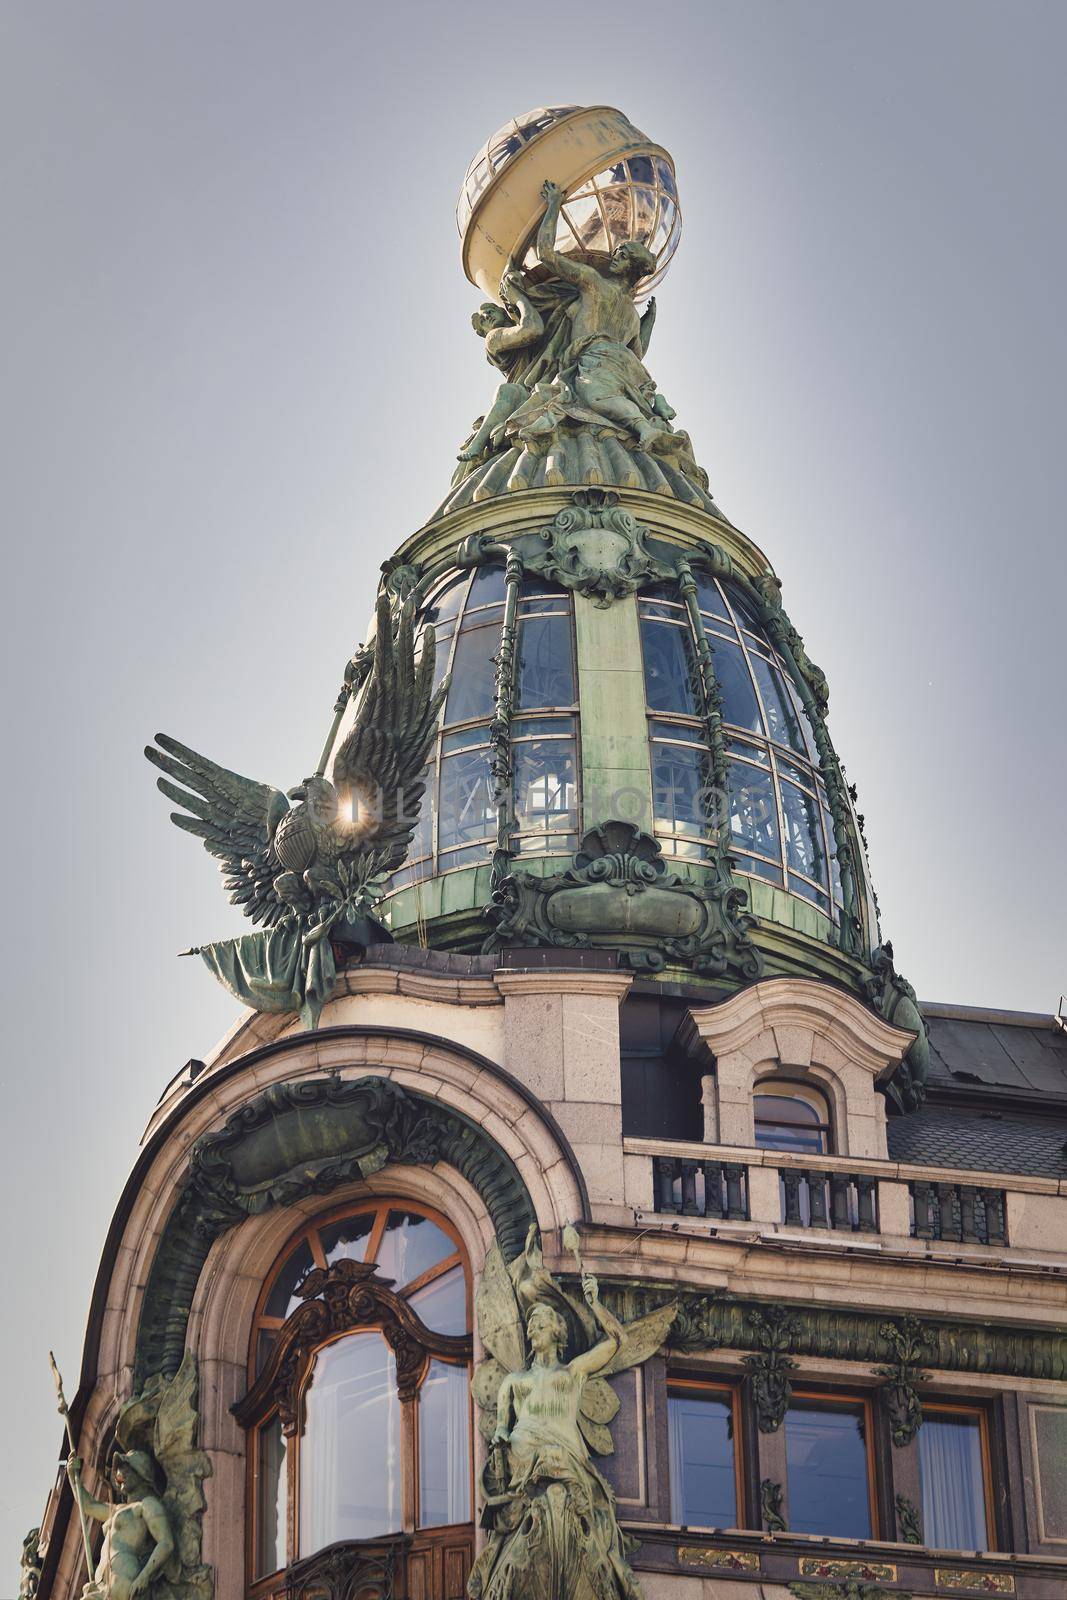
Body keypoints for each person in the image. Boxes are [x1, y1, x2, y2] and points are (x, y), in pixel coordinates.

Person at [66, 1452, 174, 1600]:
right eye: (119, 1469)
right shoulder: (117, 1509)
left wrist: (144, 1576)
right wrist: (73, 1476)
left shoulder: (147, 1504)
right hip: (102, 1582)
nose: (119, 1473)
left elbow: (166, 1543)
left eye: (126, 1468)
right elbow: (89, 1506)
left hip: (124, 1576)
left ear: (141, 1473)